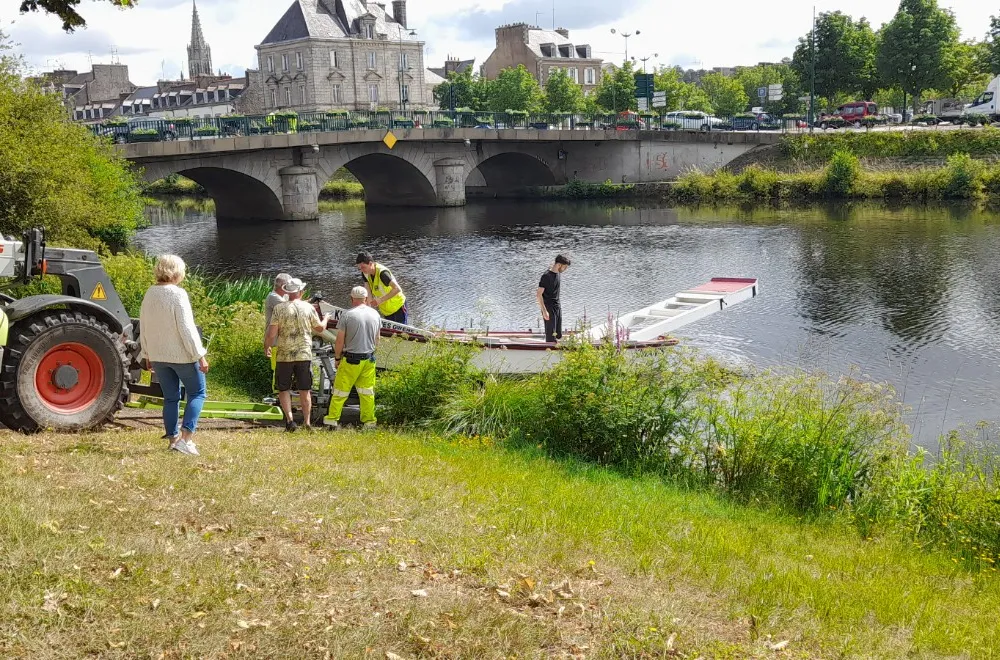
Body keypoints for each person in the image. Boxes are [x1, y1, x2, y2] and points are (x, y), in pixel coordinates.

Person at [139, 255, 209, 456]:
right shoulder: (178, 294)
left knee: (170, 398)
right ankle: (186, 440)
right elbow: (187, 329)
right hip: (182, 356)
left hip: (158, 356)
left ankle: (173, 440)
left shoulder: (150, 293)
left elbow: (144, 325)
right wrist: (199, 355)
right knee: (197, 393)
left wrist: (147, 353)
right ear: (177, 272)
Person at [265, 278, 331, 432]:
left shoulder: (279, 308)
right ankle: (307, 423)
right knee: (305, 389)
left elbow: (272, 333)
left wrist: (267, 346)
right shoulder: (309, 308)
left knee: (283, 389)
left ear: (287, 292)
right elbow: (320, 329)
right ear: (301, 292)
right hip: (304, 354)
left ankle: (290, 421)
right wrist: (326, 318)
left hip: (284, 354)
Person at [324, 286, 381, 431]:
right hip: (369, 360)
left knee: (340, 392)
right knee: (367, 393)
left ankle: (331, 421)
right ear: (366, 298)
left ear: (351, 298)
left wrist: (337, 358)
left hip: (351, 360)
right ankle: (369, 422)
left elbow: (339, 340)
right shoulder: (375, 314)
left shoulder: (347, 315)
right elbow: (377, 339)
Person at [356, 252, 407, 325]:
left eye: (363, 267)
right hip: (386, 311)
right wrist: (368, 310)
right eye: (359, 268)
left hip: (398, 307)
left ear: (370, 263)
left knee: (400, 331)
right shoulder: (365, 274)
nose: (361, 270)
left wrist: (380, 300)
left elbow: (397, 289)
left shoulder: (382, 273)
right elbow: (368, 293)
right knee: (389, 332)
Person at [264, 273, 292, 392]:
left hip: (282, 340)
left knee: (284, 370)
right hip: (275, 341)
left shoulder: (283, 296)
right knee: (278, 369)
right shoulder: (273, 297)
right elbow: (289, 309)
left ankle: (283, 392)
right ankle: (277, 394)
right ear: (283, 286)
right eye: (289, 285)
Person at [537, 254, 571, 344]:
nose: (565, 269)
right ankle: (549, 349)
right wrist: (544, 311)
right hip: (549, 308)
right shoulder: (546, 276)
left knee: (558, 334)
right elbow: (539, 294)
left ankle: (558, 347)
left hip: (557, 307)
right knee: (551, 336)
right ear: (559, 265)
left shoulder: (557, 273)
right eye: (565, 267)